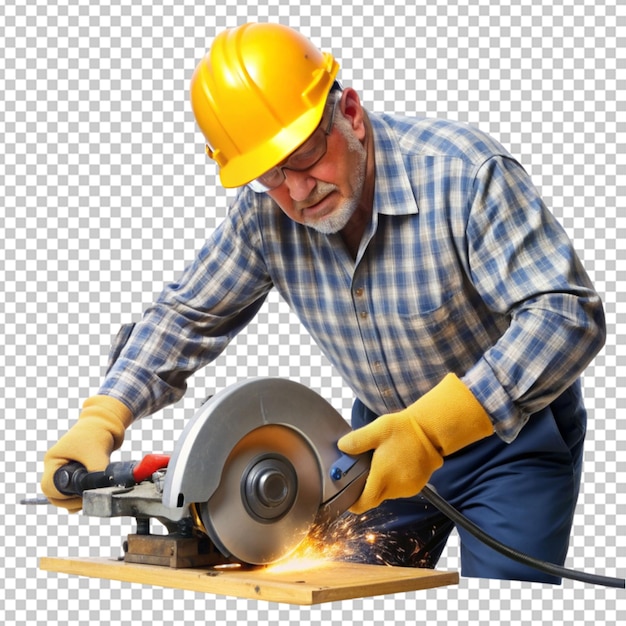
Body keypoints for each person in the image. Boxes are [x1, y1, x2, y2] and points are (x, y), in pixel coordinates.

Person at [41, 22, 606, 583]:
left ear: (351, 114)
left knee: (502, 605)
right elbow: (189, 314)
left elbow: (566, 313)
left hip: (512, 443)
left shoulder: (465, 174)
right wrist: (104, 415)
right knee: (339, 594)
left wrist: (433, 430)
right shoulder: (265, 216)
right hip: (379, 451)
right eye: (270, 176)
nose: (298, 191)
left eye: (307, 155)